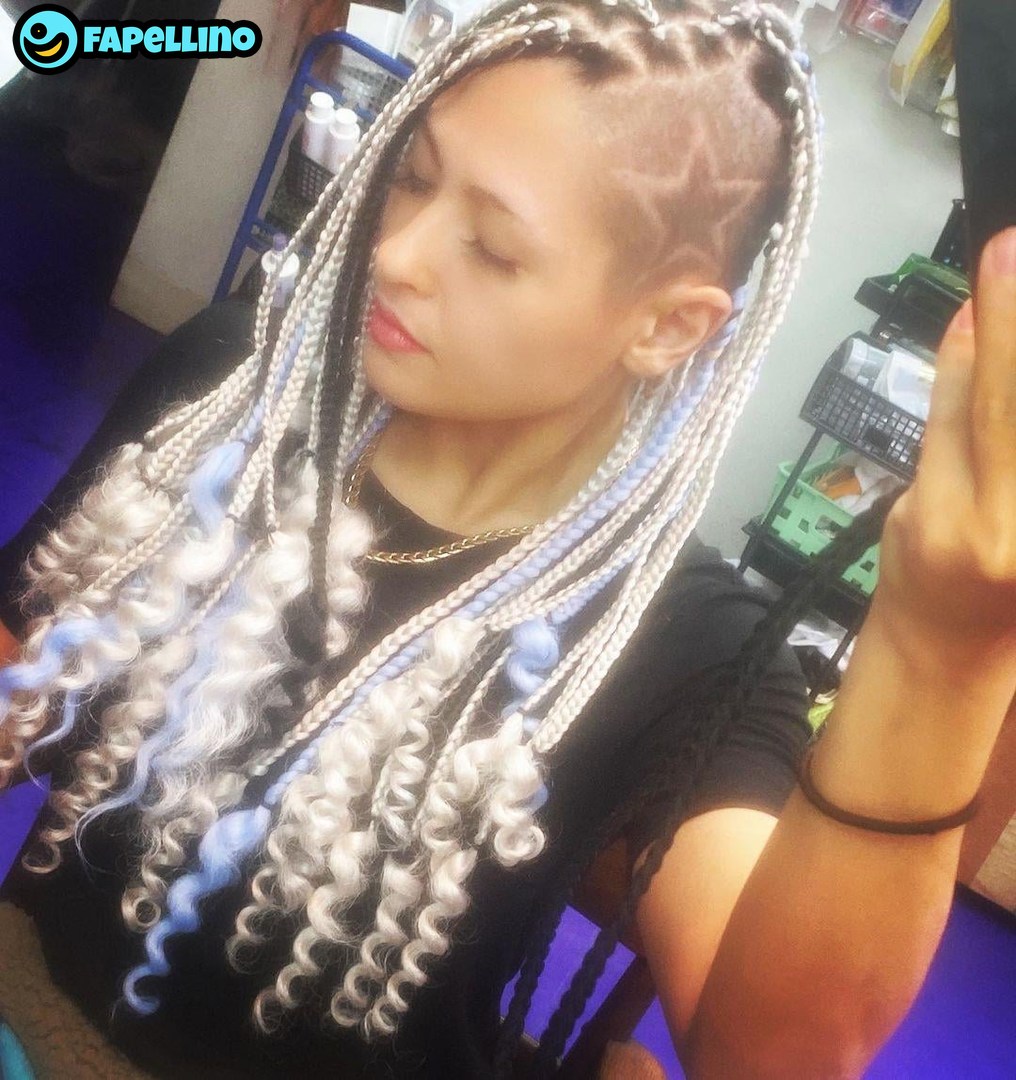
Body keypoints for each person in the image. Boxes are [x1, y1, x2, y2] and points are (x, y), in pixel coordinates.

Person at [0, 1, 1013, 1077]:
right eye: (411, 176)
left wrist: (938, 651)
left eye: (492, 247)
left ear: (667, 325)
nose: (394, 252)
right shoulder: (239, 392)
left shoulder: (691, 647)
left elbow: (775, 1055)